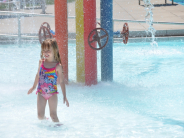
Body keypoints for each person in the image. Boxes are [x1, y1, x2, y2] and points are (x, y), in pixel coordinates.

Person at [28, 38, 69, 123]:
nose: (45, 53)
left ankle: (59, 130)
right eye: (44, 50)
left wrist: (64, 95)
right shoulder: (41, 62)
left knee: (53, 115)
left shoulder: (58, 66)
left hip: (52, 94)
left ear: (55, 50)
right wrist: (33, 87)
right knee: (40, 116)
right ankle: (46, 124)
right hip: (41, 93)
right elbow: (38, 75)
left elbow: (61, 81)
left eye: (48, 51)